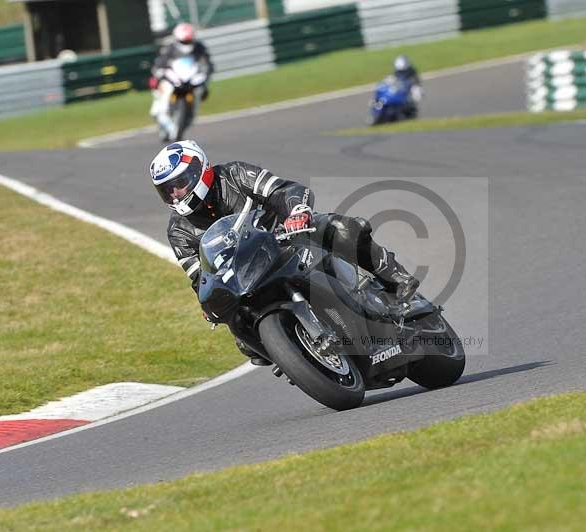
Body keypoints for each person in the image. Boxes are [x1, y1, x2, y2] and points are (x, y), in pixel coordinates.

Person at [149, 140, 420, 365]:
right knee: (242, 337)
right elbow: (199, 276)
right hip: (245, 277)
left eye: (179, 183)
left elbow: (283, 190)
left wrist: (296, 212)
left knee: (338, 228)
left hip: (287, 241)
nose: (175, 194)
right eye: (167, 190)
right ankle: (293, 359)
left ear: (201, 170)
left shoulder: (235, 175)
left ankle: (394, 280)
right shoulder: (179, 232)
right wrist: (208, 303)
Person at [149, 23, 214, 141]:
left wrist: (206, 74)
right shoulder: (170, 48)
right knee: (161, 95)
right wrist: (160, 72)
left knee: (200, 91)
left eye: (189, 41)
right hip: (172, 79)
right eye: (184, 42)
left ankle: (190, 115)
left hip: (190, 79)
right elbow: (159, 64)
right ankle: (163, 116)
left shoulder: (199, 47)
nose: (187, 44)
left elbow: (207, 63)